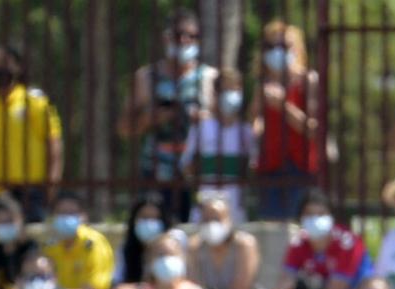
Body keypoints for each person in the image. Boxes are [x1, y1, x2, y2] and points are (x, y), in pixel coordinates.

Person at [117, 10, 216, 220]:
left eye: (192, 36)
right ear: (166, 37)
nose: (185, 40)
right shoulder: (146, 77)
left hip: (196, 172)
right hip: (154, 171)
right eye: (179, 34)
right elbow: (124, 128)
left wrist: (203, 118)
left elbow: (225, 126)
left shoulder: (209, 77)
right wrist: (151, 118)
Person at [250, 21, 325, 221]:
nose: (277, 52)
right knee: (270, 225)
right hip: (269, 167)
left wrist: (283, 106)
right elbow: (254, 122)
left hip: (299, 167)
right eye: (271, 47)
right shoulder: (263, 84)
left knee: (297, 226)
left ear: (297, 49)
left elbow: (312, 128)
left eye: (284, 46)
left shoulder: (308, 80)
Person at [0, 42, 63, 217]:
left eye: (5, 62)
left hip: (30, 191)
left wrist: (51, 188)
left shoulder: (34, 101)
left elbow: (54, 147)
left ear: (18, 67)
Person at [276, 191, 370, 289]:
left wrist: (300, 287)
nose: (315, 219)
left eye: (321, 214)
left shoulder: (348, 243)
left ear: (331, 217)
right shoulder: (298, 243)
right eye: (309, 214)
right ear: (301, 218)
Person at [192, 70, 254, 218]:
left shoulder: (246, 132)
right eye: (225, 90)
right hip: (205, 205)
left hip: (235, 207)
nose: (230, 95)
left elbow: (251, 167)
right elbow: (188, 165)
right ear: (216, 93)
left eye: (235, 90)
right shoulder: (201, 127)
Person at [43, 194, 117, 289]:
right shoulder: (50, 247)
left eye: (72, 213)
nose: (66, 218)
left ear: (83, 216)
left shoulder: (94, 244)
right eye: (62, 213)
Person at [186, 195, 261, 289]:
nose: (211, 224)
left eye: (216, 219)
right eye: (206, 219)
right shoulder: (194, 247)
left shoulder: (244, 245)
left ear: (229, 220)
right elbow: (194, 286)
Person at [0, 195, 39, 289]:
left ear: (21, 220)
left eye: (10, 221)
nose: (6, 226)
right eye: (1, 222)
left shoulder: (32, 248)